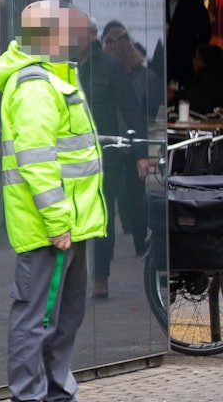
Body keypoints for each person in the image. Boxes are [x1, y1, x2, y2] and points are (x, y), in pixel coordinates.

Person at [0, 1, 106, 402]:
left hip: (67, 226)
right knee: (37, 321)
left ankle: (56, 393)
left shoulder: (54, 79)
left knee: (63, 319)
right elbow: (38, 162)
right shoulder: (36, 86)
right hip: (50, 230)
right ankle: (32, 396)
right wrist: (58, 223)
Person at [75, 17, 142, 296]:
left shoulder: (111, 67)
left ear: (93, 36)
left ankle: (100, 275)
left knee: (103, 215)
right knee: (76, 215)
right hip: (73, 154)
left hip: (106, 154)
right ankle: (77, 274)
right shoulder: (65, 68)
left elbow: (131, 109)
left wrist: (141, 154)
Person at [161, 0, 211, 87]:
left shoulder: (194, 3)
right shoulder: (158, 1)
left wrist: (196, 53)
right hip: (163, 61)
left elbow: (206, 32)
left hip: (186, 60)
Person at [182, 44, 223, 116]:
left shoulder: (208, 82)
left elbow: (198, 104)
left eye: (197, 58)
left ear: (206, 62)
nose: (193, 61)